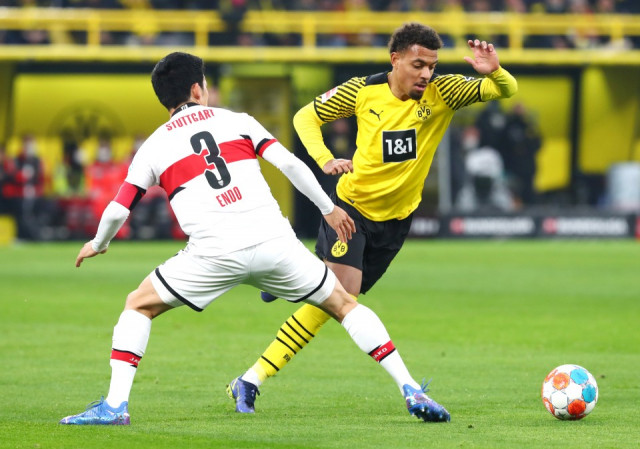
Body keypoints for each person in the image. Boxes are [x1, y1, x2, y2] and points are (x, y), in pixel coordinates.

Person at [59, 51, 449, 425]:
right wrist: (328, 208)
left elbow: (118, 209)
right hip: (274, 243)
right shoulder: (237, 120)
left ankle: (115, 406)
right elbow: (290, 164)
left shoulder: (154, 146)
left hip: (213, 255)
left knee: (138, 305)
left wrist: (99, 243)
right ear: (197, 89)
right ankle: (411, 389)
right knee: (344, 304)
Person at [229, 22, 517, 415]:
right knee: (340, 298)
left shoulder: (444, 91)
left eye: (432, 66)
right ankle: (253, 379)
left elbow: (505, 90)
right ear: (395, 59)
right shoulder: (362, 90)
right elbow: (304, 118)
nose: (426, 74)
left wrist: (495, 71)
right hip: (352, 210)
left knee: (333, 297)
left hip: (397, 220)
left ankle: (291, 278)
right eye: (418, 65)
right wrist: (324, 158)